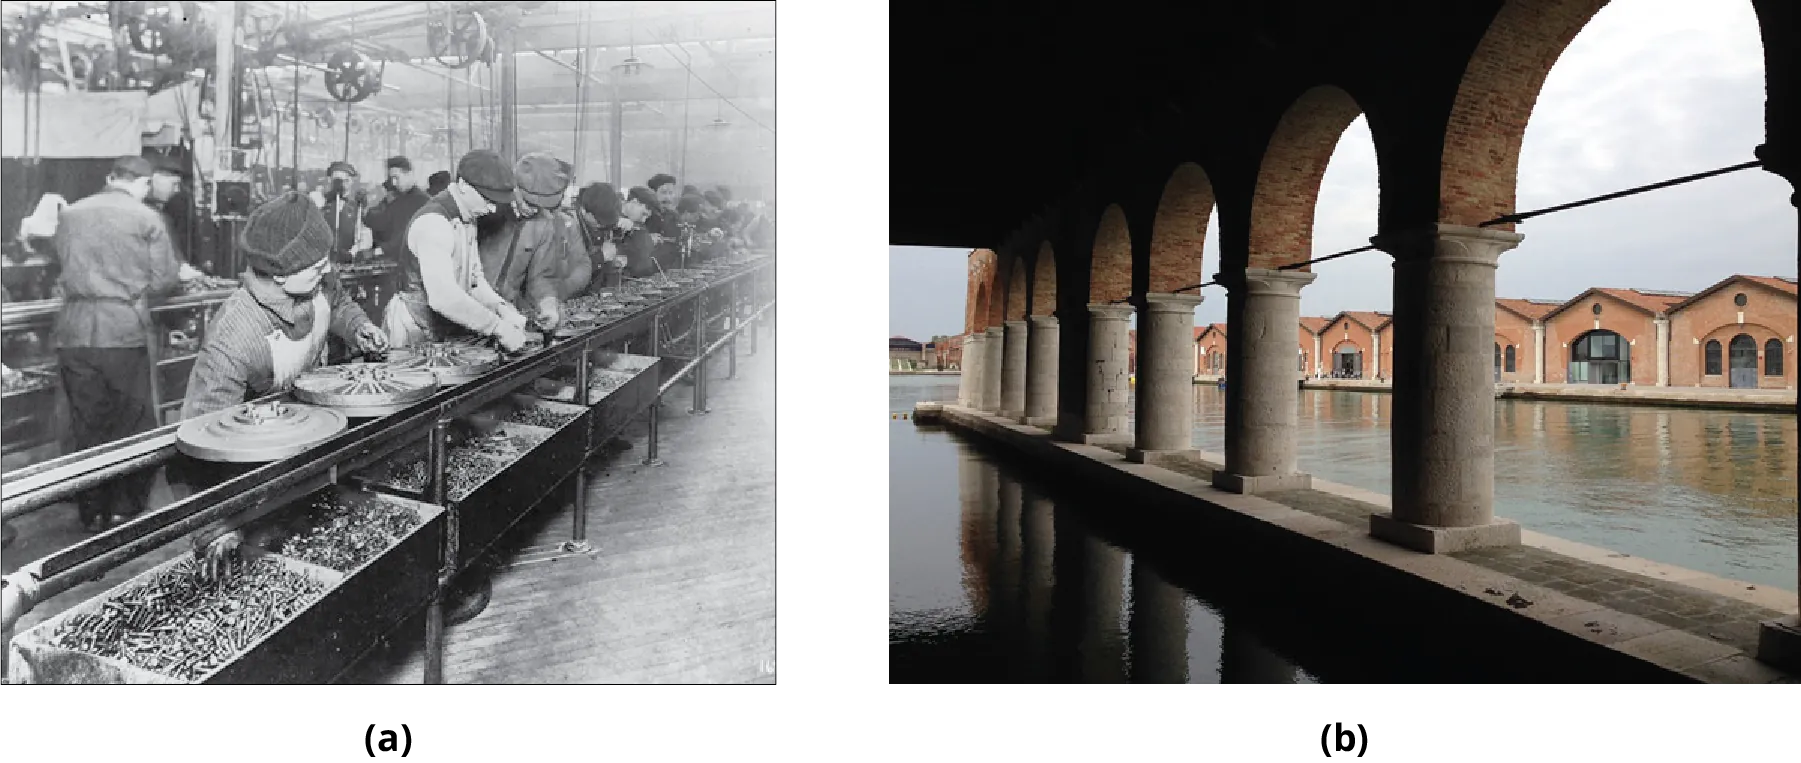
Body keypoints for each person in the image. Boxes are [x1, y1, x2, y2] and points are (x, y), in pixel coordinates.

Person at [180, 192, 388, 578]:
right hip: (256, 472)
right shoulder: (235, 336)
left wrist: (360, 329)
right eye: (315, 267)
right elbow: (201, 443)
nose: (325, 271)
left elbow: (338, 303)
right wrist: (217, 526)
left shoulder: (315, 276)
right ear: (278, 273)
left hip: (314, 438)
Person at [52, 156, 202, 531]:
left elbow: (62, 265)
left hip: (72, 330)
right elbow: (164, 279)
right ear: (144, 183)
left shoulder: (71, 214)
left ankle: (91, 509)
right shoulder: (145, 218)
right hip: (121, 332)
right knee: (129, 421)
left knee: (87, 423)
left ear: (111, 178)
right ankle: (122, 506)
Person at [383, 148, 530, 352]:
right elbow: (443, 298)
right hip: (414, 329)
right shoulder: (434, 223)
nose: (492, 208)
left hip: (442, 328)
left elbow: (474, 280)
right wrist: (498, 327)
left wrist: (501, 308)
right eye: (487, 199)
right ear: (462, 186)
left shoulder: (468, 217)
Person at [475, 152, 584, 327]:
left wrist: (548, 305)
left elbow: (541, 277)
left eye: (548, 208)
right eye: (532, 204)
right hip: (467, 311)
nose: (541, 213)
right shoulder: (483, 211)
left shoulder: (543, 222)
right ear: (516, 189)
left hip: (507, 315)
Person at [363, 156, 431, 259]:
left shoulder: (422, 201)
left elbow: (405, 236)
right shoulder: (398, 200)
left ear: (409, 174)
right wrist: (365, 207)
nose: (394, 183)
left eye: (396, 177)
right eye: (392, 179)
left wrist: (378, 251)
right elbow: (380, 222)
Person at [312, 160, 371, 265]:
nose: (342, 185)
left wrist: (352, 253)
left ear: (351, 182)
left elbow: (363, 236)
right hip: (321, 261)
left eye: (346, 181)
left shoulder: (357, 207)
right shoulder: (320, 202)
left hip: (346, 263)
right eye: (337, 181)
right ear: (330, 180)